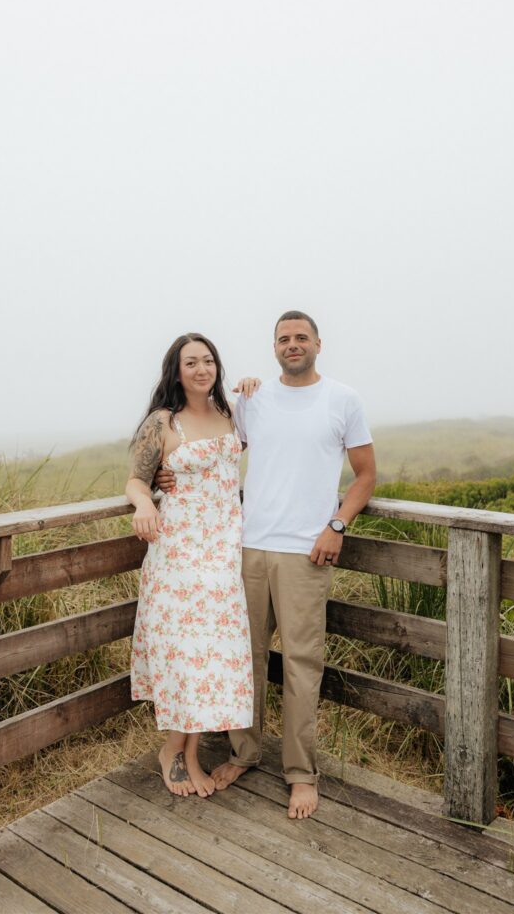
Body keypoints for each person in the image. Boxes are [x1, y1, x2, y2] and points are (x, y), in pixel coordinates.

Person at [157, 310, 376, 819]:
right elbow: (214, 453)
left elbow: (365, 475)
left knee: (302, 666)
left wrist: (337, 525)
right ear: (274, 347)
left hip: (306, 551)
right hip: (247, 546)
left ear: (318, 342)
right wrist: (165, 481)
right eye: (284, 338)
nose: (293, 344)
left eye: (301, 337)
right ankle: (244, 754)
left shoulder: (343, 399)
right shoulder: (250, 401)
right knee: (243, 660)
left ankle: (301, 774)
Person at [126, 333, 258, 799]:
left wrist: (253, 386)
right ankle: (174, 753)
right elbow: (136, 481)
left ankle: (190, 752)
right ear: (175, 371)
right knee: (185, 654)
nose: (202, 369)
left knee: (214, 656)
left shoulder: (229, 413)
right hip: (179, 554)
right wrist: (145, 504)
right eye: (191, 362)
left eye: (208, 361)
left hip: (223, 554)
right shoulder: (163, 422)